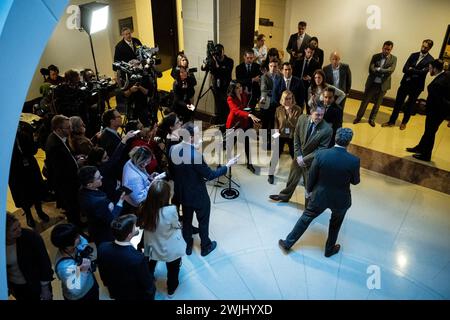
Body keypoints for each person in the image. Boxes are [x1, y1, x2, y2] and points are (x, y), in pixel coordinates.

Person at [278, 128, 360, 257]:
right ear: (349, 142)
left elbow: (312, 175)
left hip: (319, 195)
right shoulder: (354, 160)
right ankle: (329, 250)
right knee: (335, 224)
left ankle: (288, 243)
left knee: (306, 218)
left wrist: (308, 191)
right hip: (340, 199)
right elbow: (356, 181)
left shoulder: (321, 154)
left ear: (335, 138)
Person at [170, 123, 239, 256]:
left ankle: (188, 245)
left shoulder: (173, 149)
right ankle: (205, 246)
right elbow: (210, 175)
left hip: (182, 194)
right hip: (198, 196)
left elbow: (173, 172)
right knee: (203, 221)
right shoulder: (195, 156)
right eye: (197, 134)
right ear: (190, 137)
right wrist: (227, 165)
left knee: (187, 220)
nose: (200, 136)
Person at [269, 104, 332, 206]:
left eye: (322, 115)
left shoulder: (327, 130)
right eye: (317, 114)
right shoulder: (302, 119)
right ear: (311, 112)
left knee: (309, 184)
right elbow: (296, 136)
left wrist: (304, 159)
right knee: (292, 178)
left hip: (312, 161)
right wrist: (298, 155)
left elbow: (321, 149)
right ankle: (284, 196)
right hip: (298, 157)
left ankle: (309, 206)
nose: (320, 117)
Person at [138, 180, 186, 297]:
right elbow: (175, 225)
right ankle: (171, 289)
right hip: (169, 247)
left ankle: (150, 278)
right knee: (173, 269)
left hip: (150, 243)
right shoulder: (170, 210)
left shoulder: (143, 207)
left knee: (150, 262)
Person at [97, 214, 156, 300]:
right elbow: (147, 284)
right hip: (134, 295)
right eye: (134, 226)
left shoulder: (102, 247)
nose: (137, 227)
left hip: (115, 291)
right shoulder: (138, 258)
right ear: (129, 235)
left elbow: (103, 272)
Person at [382, 39, 435, 130]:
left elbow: (423, 73)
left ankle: (404, 123)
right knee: (398, 103)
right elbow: (404, 69)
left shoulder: (431, 60)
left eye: (425, 47)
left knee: (410, 105)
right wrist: (415, 71)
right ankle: (391, 121)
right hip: (405, 83)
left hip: (417, 86)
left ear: (429, 48)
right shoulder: (413, 55)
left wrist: (411, 70)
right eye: (422, 46)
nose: (423, 48)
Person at [406, 59, 450, 161]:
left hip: (435, 112)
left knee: (430, 132)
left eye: (430, 68)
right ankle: (420, 147)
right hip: (440, 111)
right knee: (429, 131)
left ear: (435, 68)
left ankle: (426, 155)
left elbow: (438, 100)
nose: (429, 70)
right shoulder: (446, 75)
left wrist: (425, 105)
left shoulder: (438, 82)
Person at [9, 121, 49, 228]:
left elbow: (33, 150)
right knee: (22, 195)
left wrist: (34, 141)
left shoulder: (24, 131)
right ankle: (29, 215)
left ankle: (39, 211)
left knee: (36, 190)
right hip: (15, 171)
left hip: (30, 167)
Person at [6, 212, 53, 300]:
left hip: (36, 284)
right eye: (14, 230)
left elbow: (44, 263)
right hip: (17, 287)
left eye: (19, 226)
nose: (19, 230)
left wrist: (45, 288)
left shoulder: (30, 237)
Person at [45, 115, 81, 226]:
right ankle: (76, 228)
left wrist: (75, 160)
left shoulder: (59, 138)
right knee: (72, 208)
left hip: (69, 181)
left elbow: (66, 157)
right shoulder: (54, 146)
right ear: (58, 129)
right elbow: (61, 171)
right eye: (68, 128)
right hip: (66, 185)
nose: (71, 130)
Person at [78, 166, 126, 246]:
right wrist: (120, 202)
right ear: (89, 184)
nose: (102, 177)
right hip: (104, 232)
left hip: (94, 225)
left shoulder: (82, 190)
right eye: (98, 177)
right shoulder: (98, 202)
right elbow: (112, 219)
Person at [353, 41, 397, 127]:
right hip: (372, 84)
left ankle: (372, 119)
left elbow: (391, 70)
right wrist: (383, 72)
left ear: (391, 49)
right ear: (382, 48)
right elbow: (371, 69)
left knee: (377, 104)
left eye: (388, 49)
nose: (386, 51)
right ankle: (358, 117)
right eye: (385, 49)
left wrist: (379, 70)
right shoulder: (375, 56)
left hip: (383, 85)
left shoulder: (394, 59)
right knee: (365, 102)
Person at [51, 223, 99, 300]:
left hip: (90, 284)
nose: (80, 237)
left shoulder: (71, 246)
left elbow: (83, 241)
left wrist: (84, 247)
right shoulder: (65, 266)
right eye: (76, 237)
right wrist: (83, 271)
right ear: (67, 244)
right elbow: (75, 290)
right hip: (81, 297)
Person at [268, 90, 303, 184]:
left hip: (292, 135)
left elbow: (294, 123)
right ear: (282, 99)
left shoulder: (298, 109)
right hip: (280, 134)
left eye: (290, 98)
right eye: (286, 98)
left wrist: (290, 111)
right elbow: (276, 121)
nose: (288, 100)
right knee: (275, 155)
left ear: (292, 99)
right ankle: (270, 174)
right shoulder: (278, 109)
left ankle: (300, 174)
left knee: (295, 156)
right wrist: (275, 131)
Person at [226, 81, 261, 173]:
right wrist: (249, 115)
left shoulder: (244, 95)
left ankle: (249, 164)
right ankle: (226, 164)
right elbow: (236, 111)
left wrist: (250, 111)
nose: (240, 88)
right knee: (230, 145)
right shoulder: (230, 98)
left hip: (243, 122)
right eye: (237, 87)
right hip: (233, 123)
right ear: (233, 89)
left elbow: (245, 106)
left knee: (247, 143)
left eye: (240, 86)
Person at [207, 43, 234, 125]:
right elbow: (211, 70)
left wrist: (217, 66)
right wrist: (211, 60)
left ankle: (228, 123)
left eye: (220, 51)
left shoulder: (229, 61)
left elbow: (226, 72)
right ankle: (221, 123)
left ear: (223, 51)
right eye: (217, 51)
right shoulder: (214, 61)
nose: (218, 53)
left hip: (226, 87)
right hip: (217, 88)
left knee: (226, 106)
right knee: (219, 106)